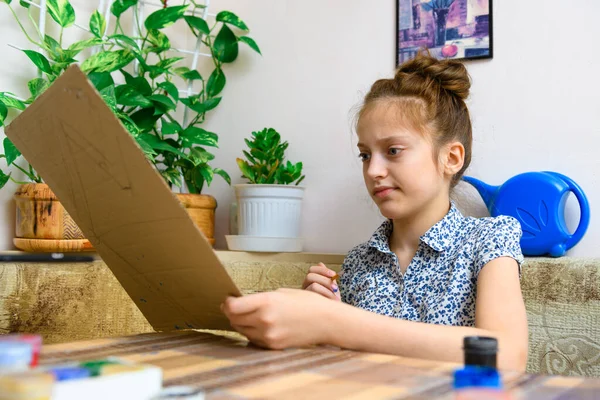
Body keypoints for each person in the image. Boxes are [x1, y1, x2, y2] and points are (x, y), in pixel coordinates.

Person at [222, 51, 528, 371]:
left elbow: (507, 355)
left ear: (451, 158)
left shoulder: (489, 239)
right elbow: (345, 366)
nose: (373, 171)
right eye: (365, 155)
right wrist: (318, 321)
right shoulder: (358, 262)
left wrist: (335, 322)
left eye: (393, 151)